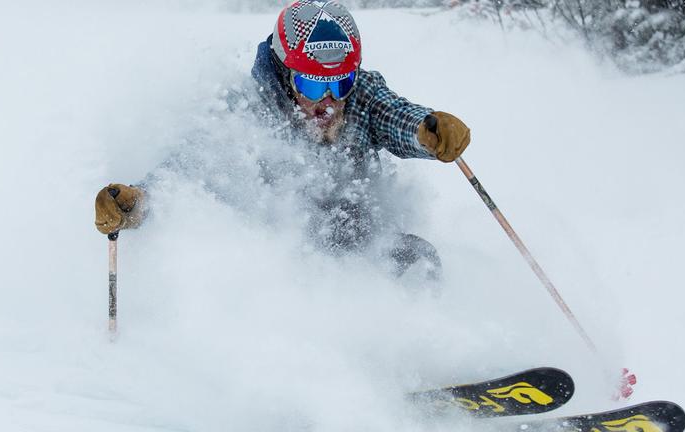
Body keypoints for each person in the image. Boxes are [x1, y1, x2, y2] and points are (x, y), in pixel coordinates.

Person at [94, 0, 471, 281]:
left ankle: (420, 352)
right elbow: (189, 169)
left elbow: (396, 115)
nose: (328, 100)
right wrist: (140, 202)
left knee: (416, 258)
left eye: (340, 82)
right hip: (281, 254)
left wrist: (427, 132)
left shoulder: (361, 95)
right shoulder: (246, 112)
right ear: (284, 74)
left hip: (360, 238)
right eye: (311, 83)